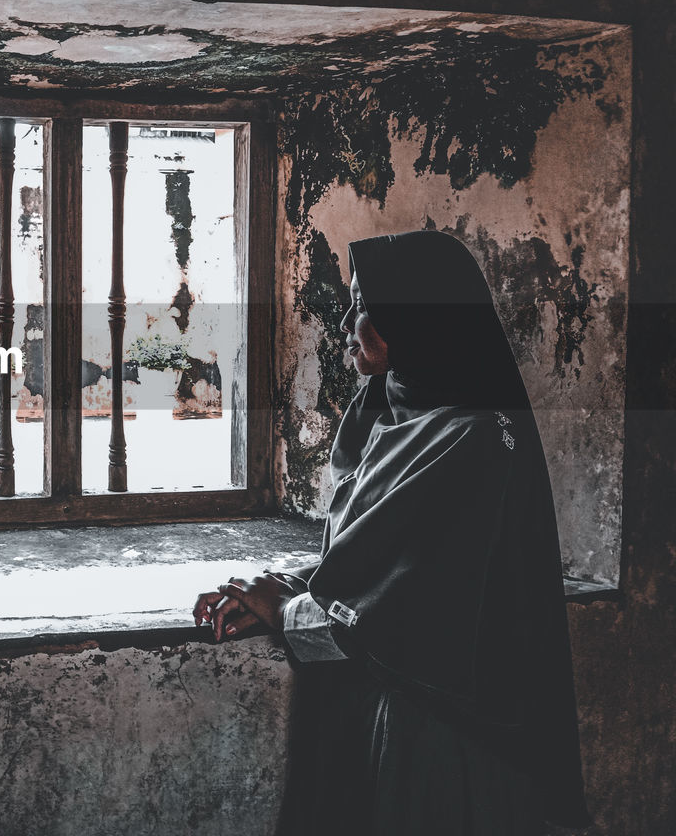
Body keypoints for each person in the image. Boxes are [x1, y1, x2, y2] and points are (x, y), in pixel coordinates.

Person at [194, 230, 590, 836]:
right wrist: (275, 585)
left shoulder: (475, 436)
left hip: (444, 735)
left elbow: (410, 611)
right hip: (380, 719)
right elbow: (375, 552)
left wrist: (284, 610)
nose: (349, 324)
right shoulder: (394, 408)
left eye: (365, 307)